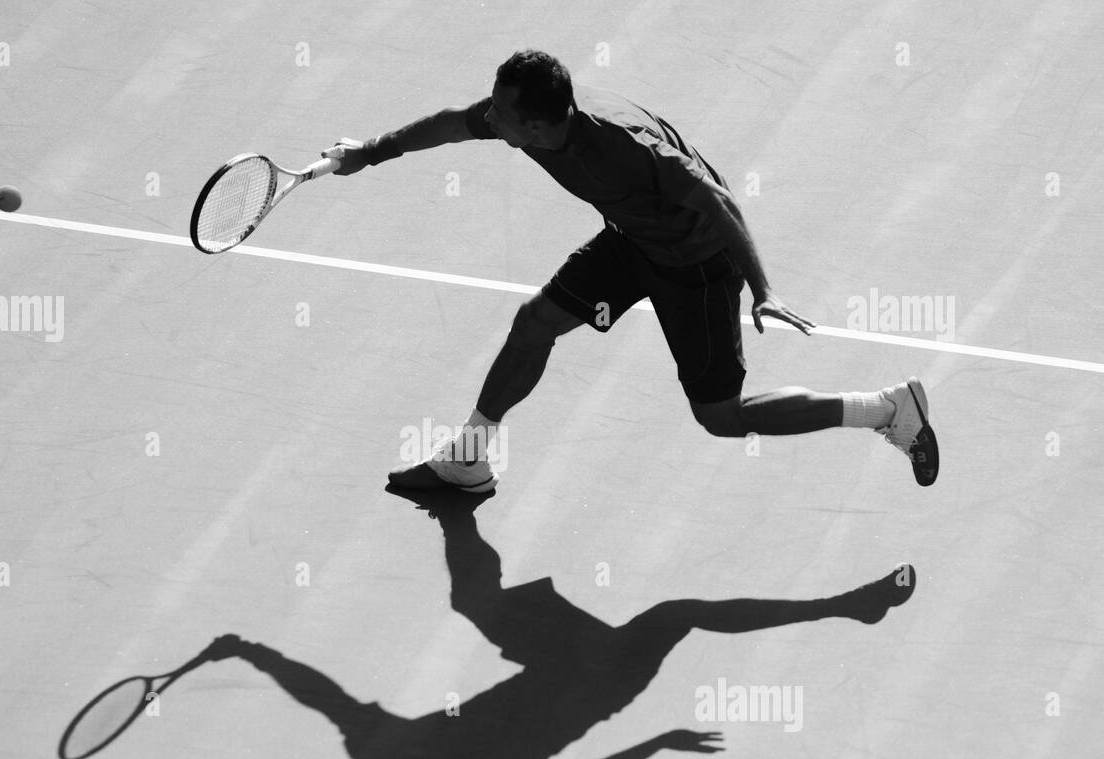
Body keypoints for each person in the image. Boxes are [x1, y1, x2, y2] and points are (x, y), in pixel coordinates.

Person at [323, 50, 938, 493]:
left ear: (535, 125)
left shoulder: (624, 147)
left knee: (722, 418)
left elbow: (719, 201)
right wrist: (370, 153)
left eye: (502, 115)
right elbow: (452, 123)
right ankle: (469, 456)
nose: (491, 119)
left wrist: (762, 288)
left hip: (698, 263)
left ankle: (885, 409)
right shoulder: (525, 118)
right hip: (634, 239)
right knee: (534, 323)